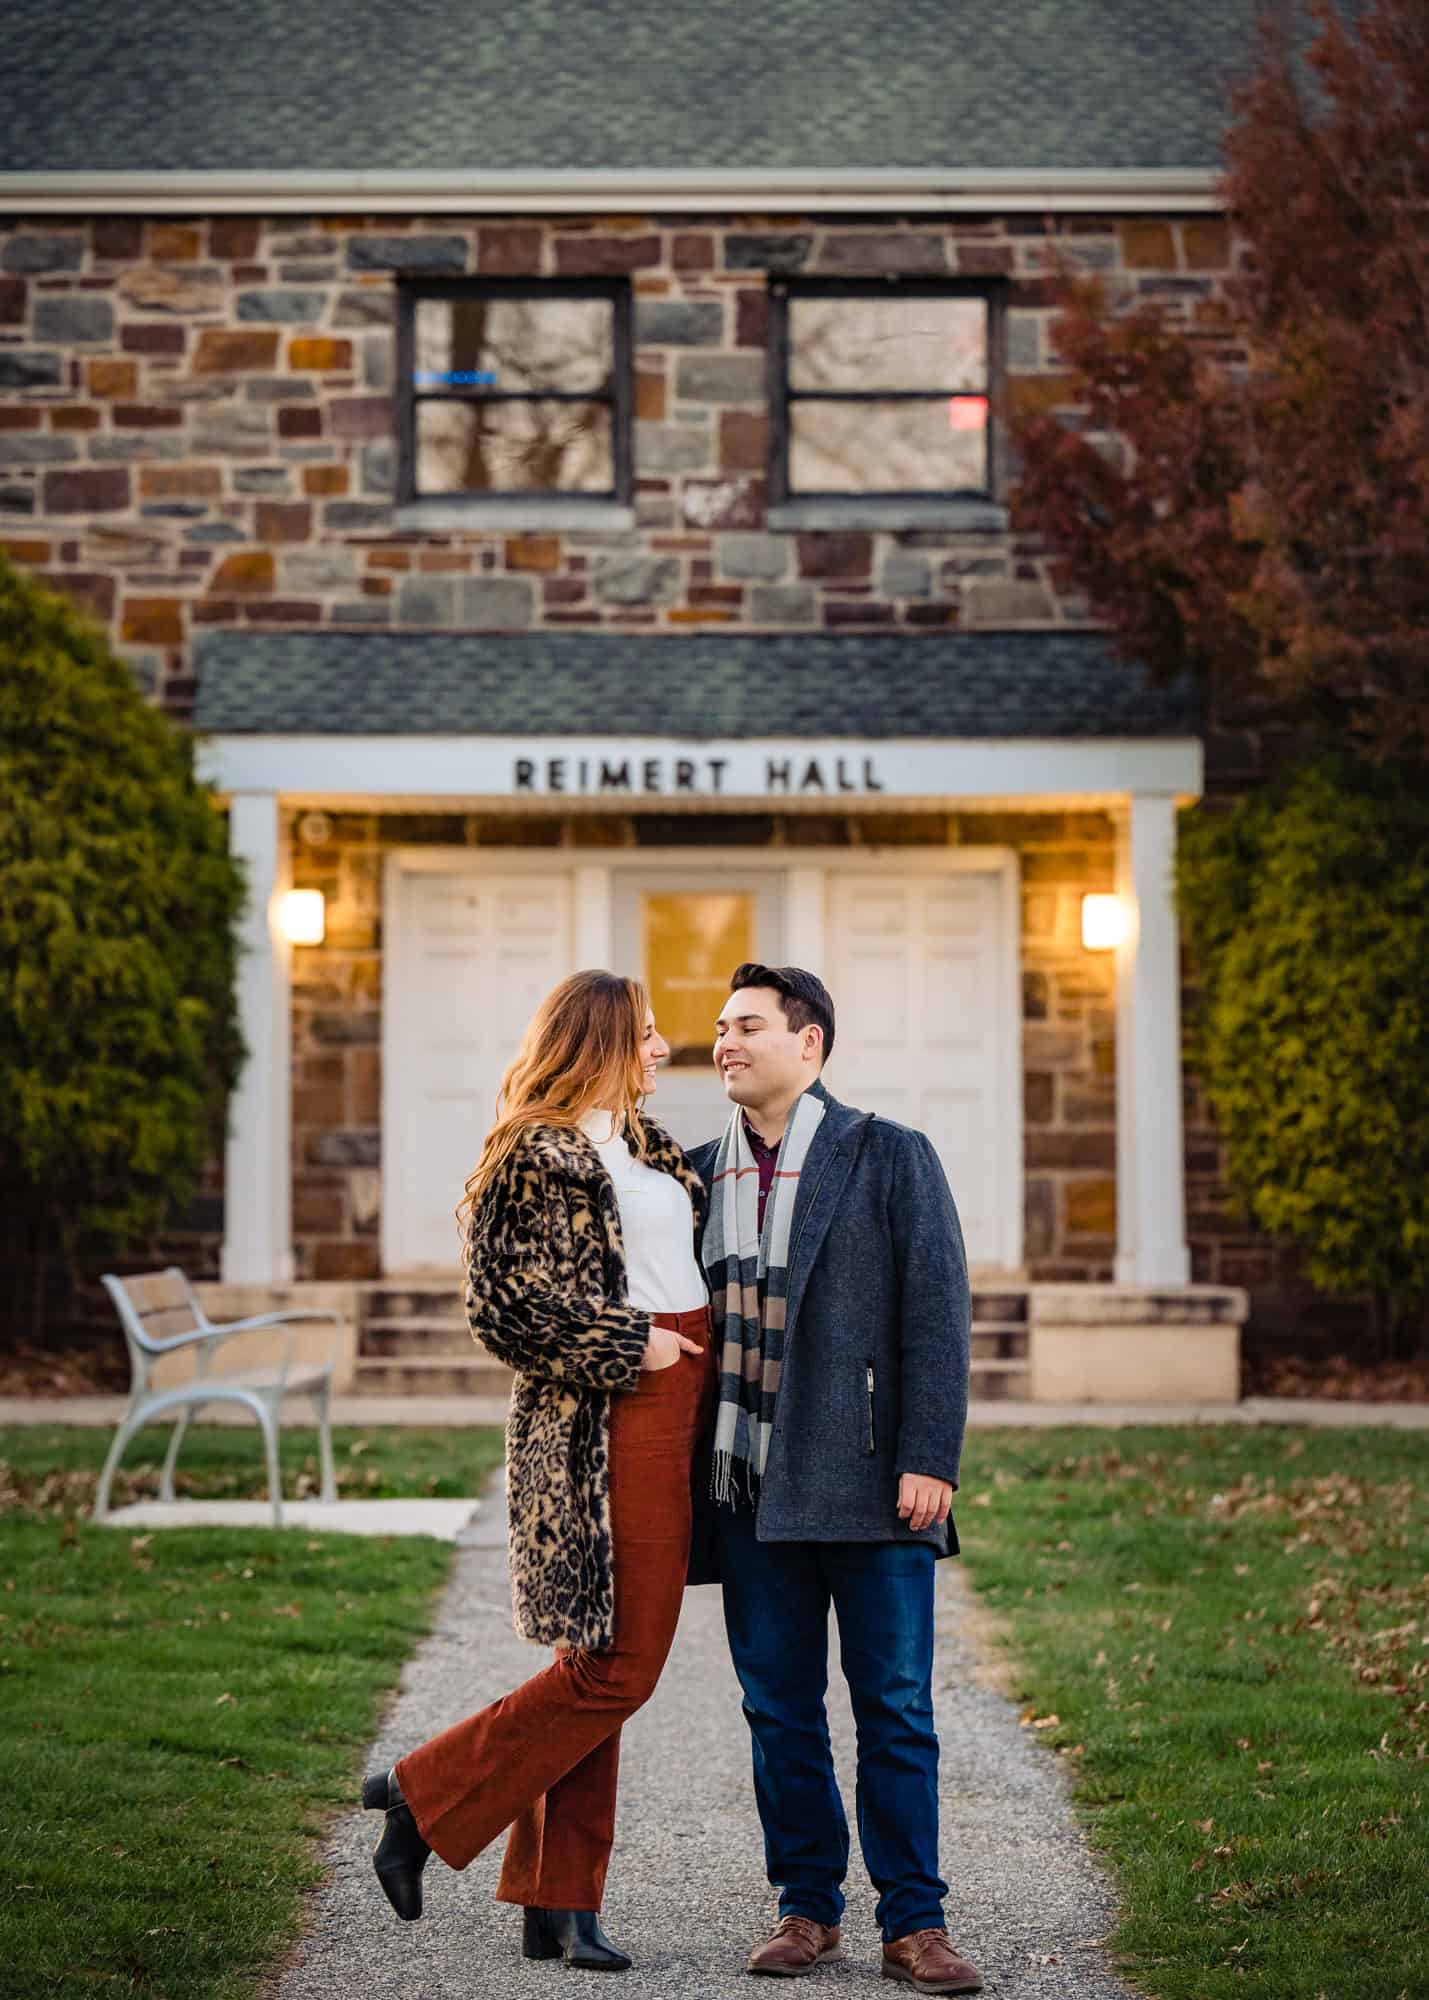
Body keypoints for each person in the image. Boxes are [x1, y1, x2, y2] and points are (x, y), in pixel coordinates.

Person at [363, 970, 712, 1971]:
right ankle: (420, 1795)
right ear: (597, 1040)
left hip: (677, 1399)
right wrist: (627, 1343)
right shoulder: (533, 1151)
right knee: (619, 1667)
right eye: (643, 1035)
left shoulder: (648, 1147)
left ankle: (559, 1903)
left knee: (594, 1663)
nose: (660, 1049)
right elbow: (501, 1308)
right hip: (609, 1414)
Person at [688, 963, 982, 1996]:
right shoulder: (693, 1173)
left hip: (871, 1483)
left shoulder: (888, 1154)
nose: (724, 1041)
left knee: (895, 1705)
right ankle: (806, 1906)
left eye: (748, 1025)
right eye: (720, 1027)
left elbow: (939, 1313)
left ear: (808, 1044)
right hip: (750, 1492)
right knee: (780, 1709)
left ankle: (917, 1922)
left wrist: (928, 1453)